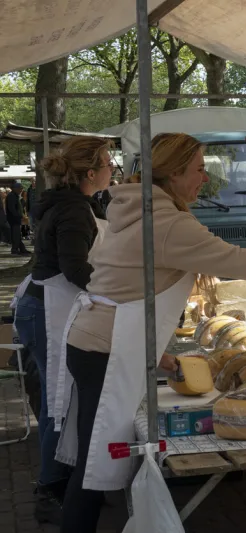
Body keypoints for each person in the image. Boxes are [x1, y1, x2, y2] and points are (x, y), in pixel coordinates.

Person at [59, 133, 246, 533]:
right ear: (174, 173)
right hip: (105, 347)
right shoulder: (166, 222)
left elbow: (126, 284)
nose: (206, 179)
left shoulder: (141, 207)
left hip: (97, 340)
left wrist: (159, 358)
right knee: (97, 457)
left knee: (96, 452)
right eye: (199, 169)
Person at [14, 137, 112, 526]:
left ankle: (64, 479)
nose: (112, 169)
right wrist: (113, 294)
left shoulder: (76, 203)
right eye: (108, 163)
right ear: (91, 172)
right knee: (60, 401)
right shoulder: (73, 209)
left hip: (45, 304)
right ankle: (51, 487)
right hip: (46, 309)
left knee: (62, 399)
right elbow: (75, 267)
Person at [7, 180, 30, 254]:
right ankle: (15, 249)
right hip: (13, 219)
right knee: (16, 235)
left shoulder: (15, 196)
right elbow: (12, 209)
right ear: (15, 189)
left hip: (15, 219)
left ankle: (21, 248)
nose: (21, 190)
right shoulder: (11, 196)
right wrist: (19, 216)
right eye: (20, 188)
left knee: (17, 235)